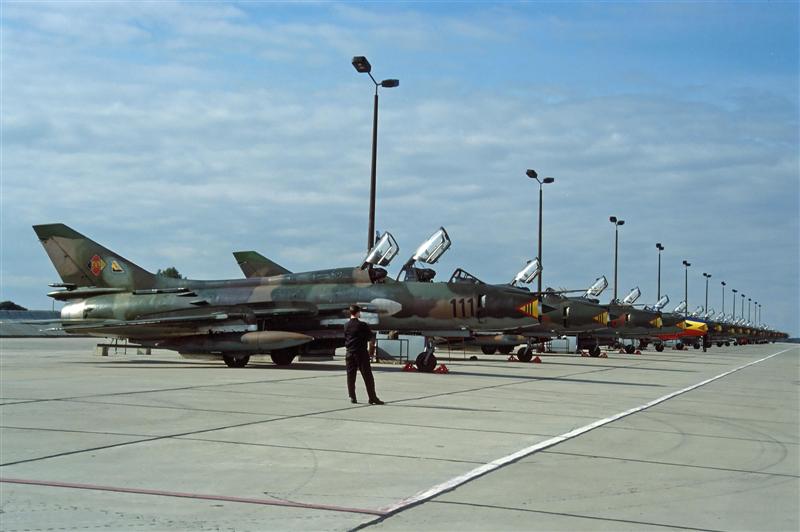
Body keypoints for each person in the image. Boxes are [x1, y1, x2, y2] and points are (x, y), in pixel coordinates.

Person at [344, 304, 384, 405]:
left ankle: (352, 397)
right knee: (368, 376)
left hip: (349, 353)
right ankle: (372, 397)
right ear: (358, 313)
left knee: (351, 376)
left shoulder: (346, 325)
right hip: (361, 353)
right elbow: (369, 337)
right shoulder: (362, 325)